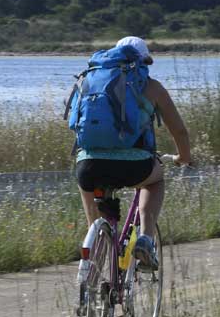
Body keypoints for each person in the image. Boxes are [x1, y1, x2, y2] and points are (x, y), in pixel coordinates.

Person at [71, 35, 191, 269]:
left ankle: (94, 241)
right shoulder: (152, 87)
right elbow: (180, 132)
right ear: (143, 61)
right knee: (154, 181)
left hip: (88, 166)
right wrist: (183, 158)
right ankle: (146, 238)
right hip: (135, 167)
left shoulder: (91, 80)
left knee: (89, 183)